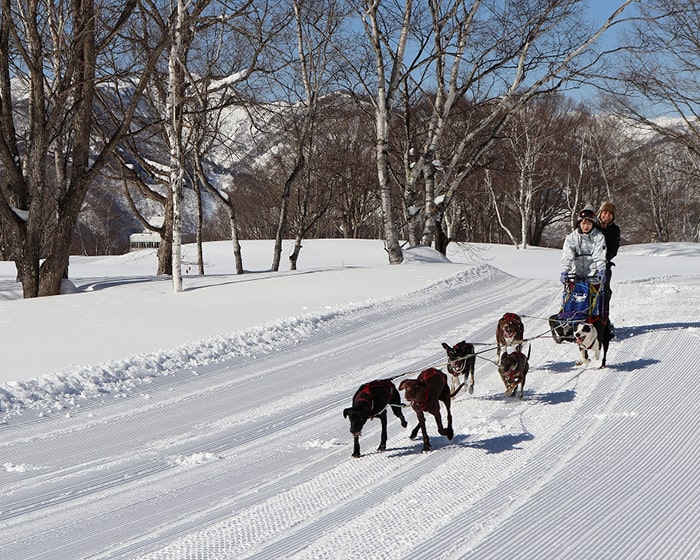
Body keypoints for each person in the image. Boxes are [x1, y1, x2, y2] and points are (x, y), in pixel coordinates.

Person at [560, 206, 608, 314]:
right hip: (575, 275)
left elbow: (599, 255)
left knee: (593, 301)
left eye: (588, 224)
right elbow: (567, 256)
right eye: (583, 223)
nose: (586, 226)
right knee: (572, 299)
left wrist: (601, 270)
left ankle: (595, 320)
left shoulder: (599, 237)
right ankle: (569, 317)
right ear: (579, 224)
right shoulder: (571, 238)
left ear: (593, 224)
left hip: (593, 275)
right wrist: (565, 271)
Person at [597, 200, 620, 320]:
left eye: (610, 214)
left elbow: (613, 248)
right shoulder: (591, 225)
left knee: (604, 292)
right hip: (586, 264)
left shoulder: (614, 230)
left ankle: (604, 318)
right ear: (600, 212)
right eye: (605, 212)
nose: (607, 216)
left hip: (604, 264)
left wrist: (603, 258)